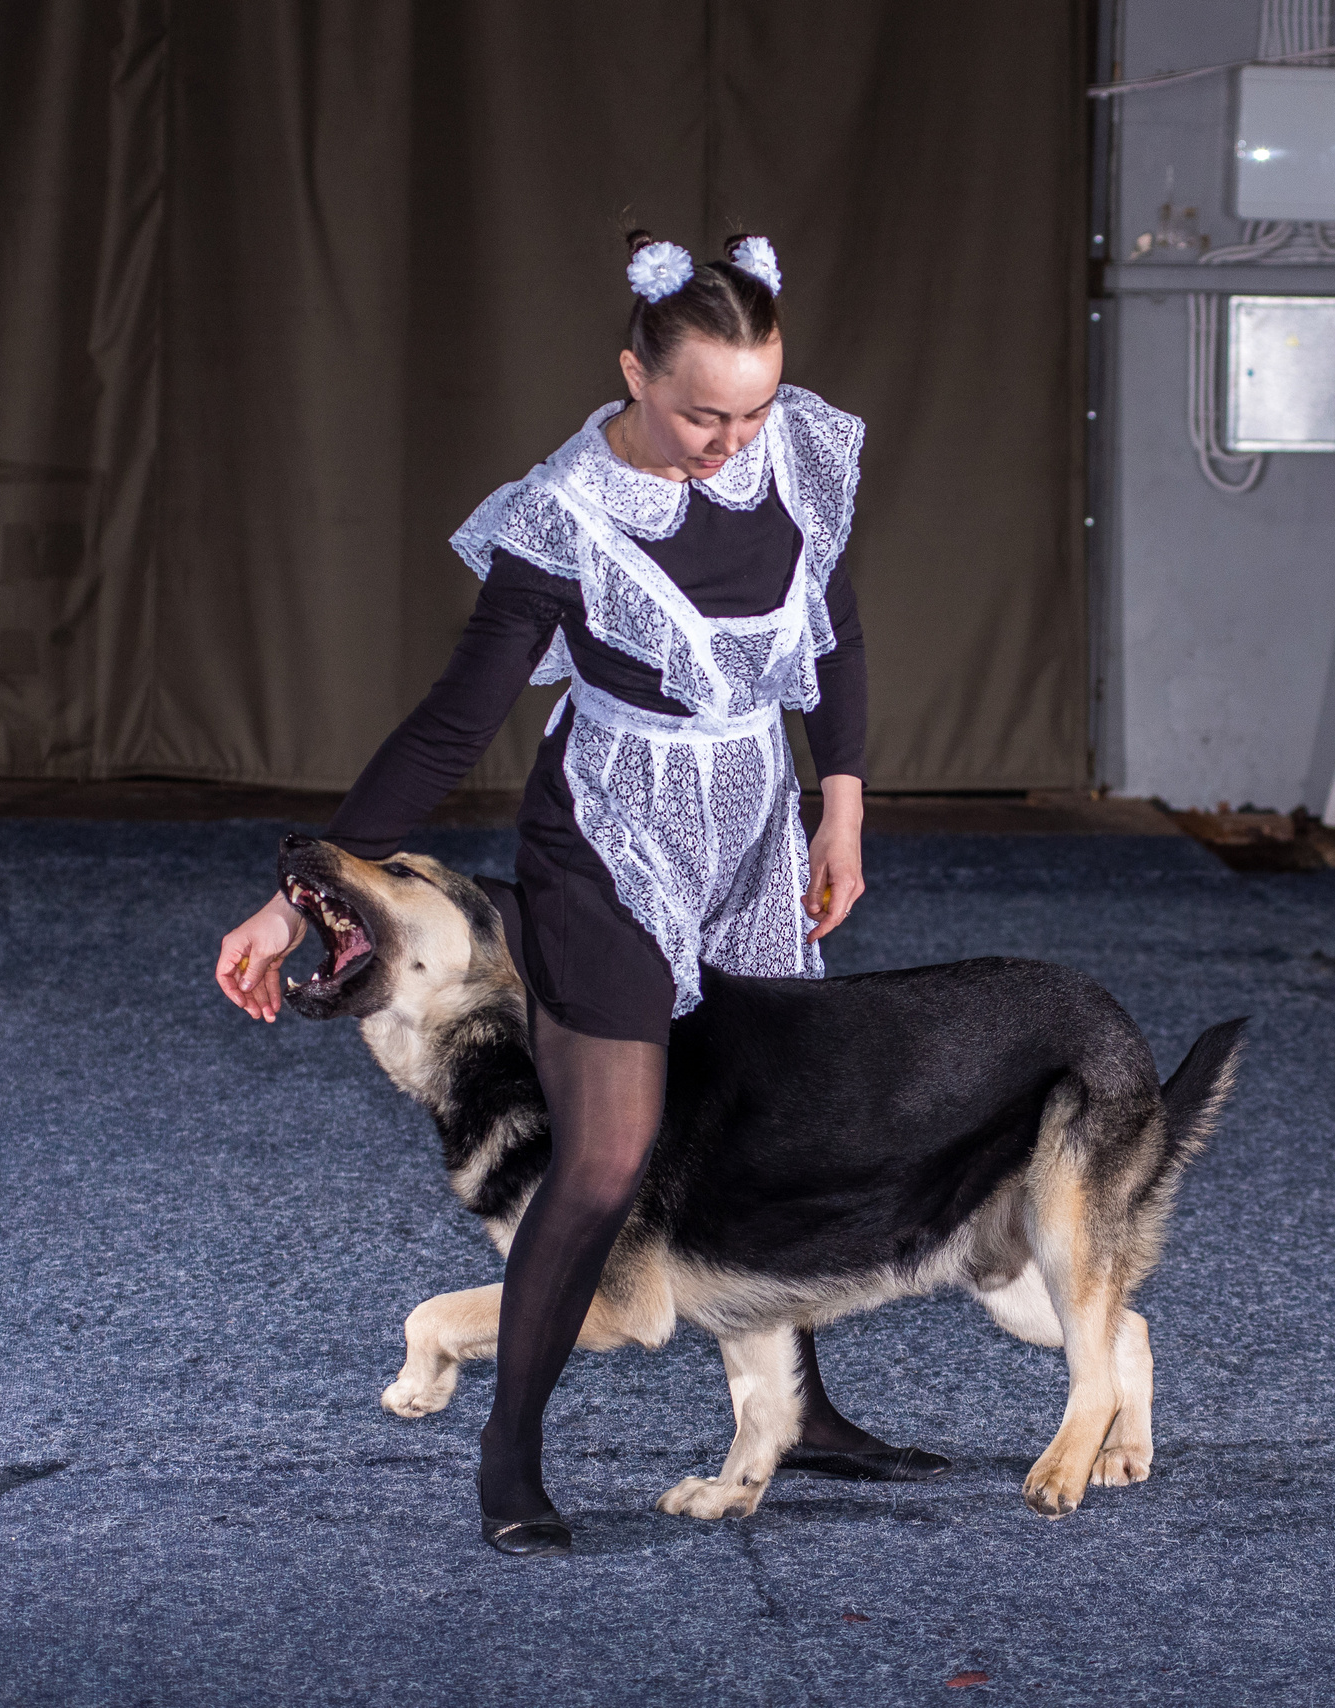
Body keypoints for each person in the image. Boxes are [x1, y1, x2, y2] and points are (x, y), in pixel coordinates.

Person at [213, 231, 943, 1558]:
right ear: (633, 373)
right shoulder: (561, 518)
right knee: (605, 1158)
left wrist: (839, 802)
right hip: (610, 835)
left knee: (769, 1127)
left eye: (755, 408)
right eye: (700, 414)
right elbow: (447, 731)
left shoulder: (798, 449)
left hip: (751, 817)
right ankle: (511, 1455)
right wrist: (295, 892)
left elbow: (829, 629)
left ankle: (800, 1413)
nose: (732, 440)